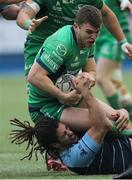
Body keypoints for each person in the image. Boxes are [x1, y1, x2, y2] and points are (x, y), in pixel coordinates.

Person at [10, 77, 132, 175]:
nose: (70, 132)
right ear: (56, 144)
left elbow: (108, 118)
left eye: (67, 128)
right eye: (64, 135)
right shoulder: (74, 158)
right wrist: (85, 92)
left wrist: (122, 112)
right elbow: (101, 125)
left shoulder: (68, 138)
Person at [16, 0, 132, 77]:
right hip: (40, 45)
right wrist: (28, 23)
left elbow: (106, 14)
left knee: (74, 94)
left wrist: (123, 42)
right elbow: (23, 14)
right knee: (38, 88)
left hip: (71, 47)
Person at [95, 0, 132, 119]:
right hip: (99, 39)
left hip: (115, 38)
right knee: (117, 82)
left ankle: (118, 118)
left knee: (101, 78)